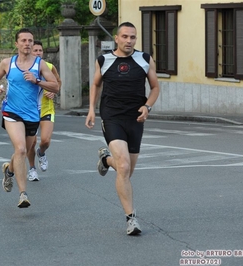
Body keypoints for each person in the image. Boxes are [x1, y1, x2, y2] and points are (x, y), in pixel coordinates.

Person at [85, 22, 160, 235]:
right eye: (125, 37)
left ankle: (105, 160)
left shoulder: (145, 59)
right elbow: (96, 84)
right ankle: (131, 219)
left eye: (133, 37)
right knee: (124, 167)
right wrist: (91, 109)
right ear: (116, 38)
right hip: (112, 116)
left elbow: (155, 87)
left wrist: (147, 107)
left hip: (135, 118)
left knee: (127, 170)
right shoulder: (104, 60)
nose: (129, 41)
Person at [0, 28, 59, 208]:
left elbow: (55, 86)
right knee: (20, 149)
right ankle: (23, 194)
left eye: (30, 40)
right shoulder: (7, 63)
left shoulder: (40, 64)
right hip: (11, 111)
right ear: (17, 43)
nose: (27, 43)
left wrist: (37, 81)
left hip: (32, 114)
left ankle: (9, 170)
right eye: (24, 40)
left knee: (25, 149)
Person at [26, 40, 62, 181]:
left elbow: (57, 82)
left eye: (40, 50)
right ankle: (32, 168)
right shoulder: (25, 67)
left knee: (45, 141)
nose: (38, 53)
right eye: (35, 50)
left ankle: (41, 153)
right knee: (32, 142)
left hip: (47, 108)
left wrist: (53, 92)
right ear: (30, 52)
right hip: (30, 110)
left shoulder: (49, 66)